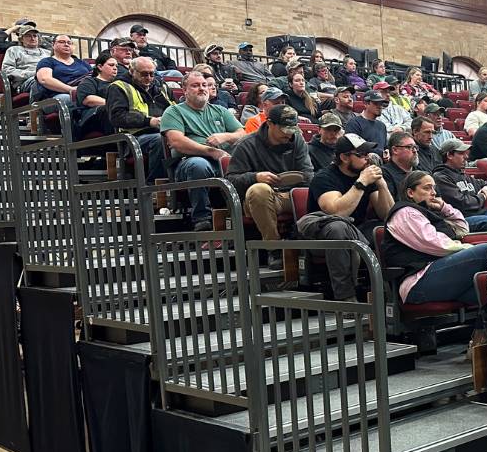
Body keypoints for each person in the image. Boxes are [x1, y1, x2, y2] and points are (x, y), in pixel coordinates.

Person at [299, 134, 393, 302]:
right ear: (343, 157)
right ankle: (346, 297)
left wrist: (382, 185)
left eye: (368, 155)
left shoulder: (365, 176)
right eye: (361, 155)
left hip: (355, 229)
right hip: (321, 235)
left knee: (388, 228)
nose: (367, 159)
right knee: (338, 227)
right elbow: (336, 212)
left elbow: (387, 214)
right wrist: (361, 183)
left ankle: (390, 293)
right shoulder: (324, 177)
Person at [384, 171, 487, 305]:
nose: (433, 192)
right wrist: (467, 247)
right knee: (486, 251)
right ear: (410, 193)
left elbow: (462, 229)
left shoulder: (427, 211)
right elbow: (436, 244)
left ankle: (485, 324)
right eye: (427, 188)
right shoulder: (406, 213)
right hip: (417, 282)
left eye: (433, 188)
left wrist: (443, 207)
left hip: (437, 272)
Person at [224, 104, 313, 268]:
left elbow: (308, 173)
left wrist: (297, 178)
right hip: (259, 199)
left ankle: (310, 245)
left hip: (291, 193)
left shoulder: (297, 140)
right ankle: (274, 247)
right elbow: (230, 180)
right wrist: (255, 177)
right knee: (259, 190)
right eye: (284, 129)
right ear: (270, 123)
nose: (289, 134)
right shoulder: (246, 144)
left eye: (292, 129)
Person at [161, 71, 246, 230]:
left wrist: (225, 136)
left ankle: (245, 216)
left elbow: (243, 134)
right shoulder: (174, 111)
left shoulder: (220, 111)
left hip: (224, 161)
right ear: (184, 89)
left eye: (204, 85)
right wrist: (210, 151)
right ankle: (202, 218)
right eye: (195, 85)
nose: (202, 88)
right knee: (198, 165)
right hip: (188, 162)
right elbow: (176, 141)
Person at [107, 56, 173, 183]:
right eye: (144, 74)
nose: (148, 78)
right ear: (131, 71)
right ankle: (155, 185)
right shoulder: (118, 87)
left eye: (151, 74)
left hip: (166, 130)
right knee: (161, 141)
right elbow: (117, 117)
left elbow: (175, 108)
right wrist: (149, 121)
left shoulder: (162, 87)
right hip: (134, 137)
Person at [433, 139, 487, 232]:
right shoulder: (441, 178)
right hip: (463, 219)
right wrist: (482, 196)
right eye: (461, 153)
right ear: (449, 155)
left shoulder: (463, 175)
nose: (466, 157)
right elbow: (464, 203)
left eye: (466, 153)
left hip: (483, 213)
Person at [30, 34, 90, 106]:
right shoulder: (47, 61)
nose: (66, 45)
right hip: (57, 96)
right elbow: (45, 79)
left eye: (69, 43)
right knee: (72, 99)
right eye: (62, 42)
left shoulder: (81, 62)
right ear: (53, 45)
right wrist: (71, 89)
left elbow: (96, 76)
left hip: (85, 91)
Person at [72, 51, 117, 140]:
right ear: (100, 67)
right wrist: (116, 104)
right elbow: (88, 100)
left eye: (116, 66)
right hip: (91, 117)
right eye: (111, 65)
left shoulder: (119, 84)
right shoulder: (89, 81)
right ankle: (120, 144)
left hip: (112, 114)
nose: (115, 68)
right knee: (107, 109)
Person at [1, 24, 50, 95]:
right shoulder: (13, 50)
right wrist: (34, 74)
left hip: (49, 78)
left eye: (35, 36)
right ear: (21, 39)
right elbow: (7, 70)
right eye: (28, 36)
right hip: (25, 82)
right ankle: (37, 105)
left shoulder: (48, 53)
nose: (32, 38)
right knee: (42, 81)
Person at [345, 91, 390, 155]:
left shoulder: (382, 125)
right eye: (376, 103)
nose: (379, 106)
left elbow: (384, 146)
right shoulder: (354, 123)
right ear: (366, 104)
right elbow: (352, 148)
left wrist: (387, 152)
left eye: (381, 103)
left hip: (381, 162)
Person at [380, 131, 419, 198]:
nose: (415, 150)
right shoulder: (384, 174)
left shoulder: (419, 172)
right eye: (409, 147)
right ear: (395, 150)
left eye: (415, 147)